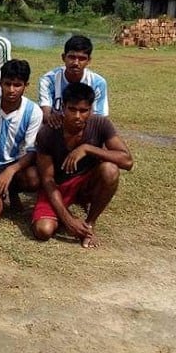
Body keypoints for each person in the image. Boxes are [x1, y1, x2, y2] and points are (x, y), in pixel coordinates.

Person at [32, 82, 133, 248]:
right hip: (59, 186)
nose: (78, 116)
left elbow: (127, 161)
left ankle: (89, 224)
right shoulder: (48, 132)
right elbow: (48, 180)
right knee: (43, 231)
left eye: (84, 110)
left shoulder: (100, 124)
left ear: (91, 109)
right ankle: (68, 218)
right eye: (72, 109)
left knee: (110, 169)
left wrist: (88, 149)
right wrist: (69, 221)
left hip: (86, 183)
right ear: (63, 107)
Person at [0, 60, 43, 223]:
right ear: (0, 83)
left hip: (13, 164)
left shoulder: (33, 111)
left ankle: (9, 191)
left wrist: (10, 171)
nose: (11, 90)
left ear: (26, 85)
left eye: (17, 85)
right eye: (7, 84)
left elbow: (32, 150)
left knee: (33, 178)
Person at [38, 35, 109, 128]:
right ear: (63, 57)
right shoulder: (48, 80)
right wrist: (51, 117)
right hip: (57, 129)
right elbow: (46, 112)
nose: (76, 63)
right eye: (72, 57)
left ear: (88, 61)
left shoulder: (98, 83)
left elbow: (100, 118)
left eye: (82, 59)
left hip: (85, 130)